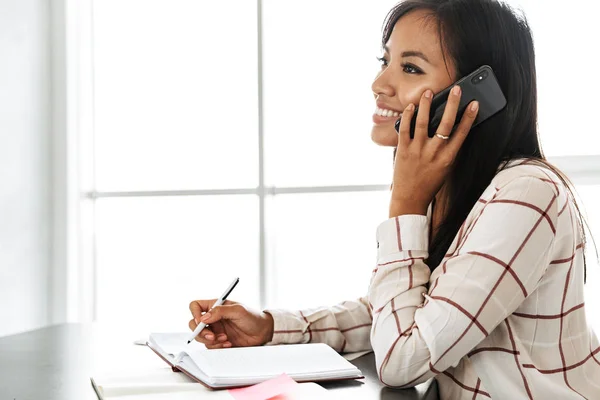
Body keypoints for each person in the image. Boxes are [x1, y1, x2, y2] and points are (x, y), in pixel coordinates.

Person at [187, 0, 600, 398]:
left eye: (410, 68)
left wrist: (406, 203)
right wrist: (270, 327)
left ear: (476, 96)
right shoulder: (459, 187)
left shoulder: (525, 194)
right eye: (385, 62)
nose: (379, 85)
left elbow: (403, 358)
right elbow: (401, 314)